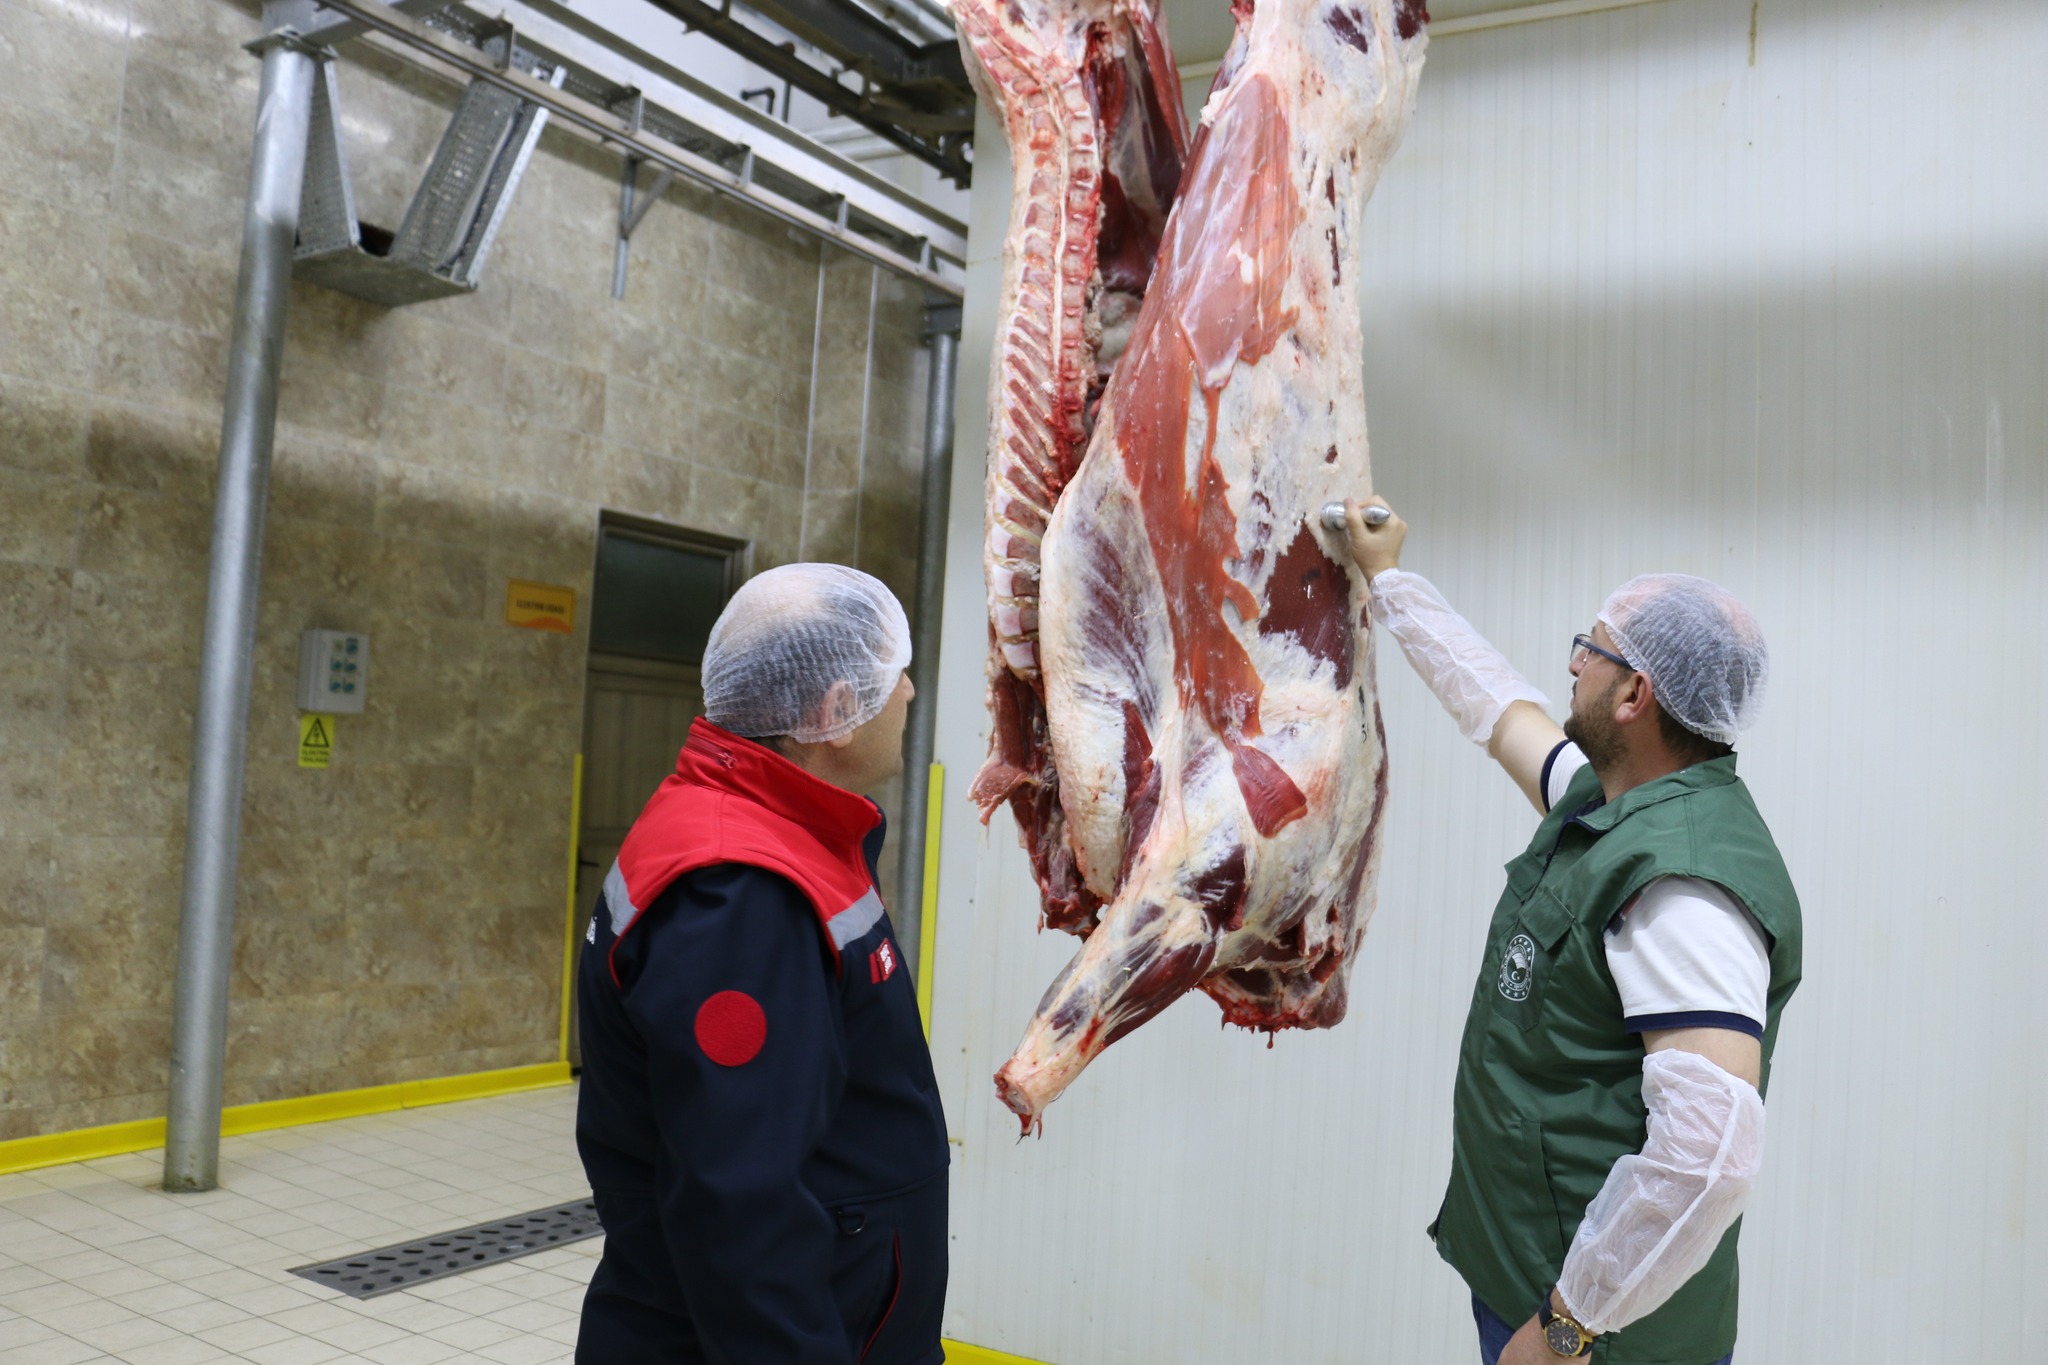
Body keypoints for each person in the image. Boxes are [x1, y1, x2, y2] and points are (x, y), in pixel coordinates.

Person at [1340, 499, 1801, 1365]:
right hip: (1534, 1279)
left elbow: (1710, 1156)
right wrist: (1388, 580)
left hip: (1595, 1335)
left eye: (1591, 650)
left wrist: (1567, 1327)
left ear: (1636, 693)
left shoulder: (1683, 883)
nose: (1572, 663)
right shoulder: (1613, 800)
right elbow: (1498, 708)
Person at [574, 563, 949, 1365]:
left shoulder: (774, 836)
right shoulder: (741, 891)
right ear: (837, 711)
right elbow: (739, 1206)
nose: (911, 693)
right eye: (895, 672)